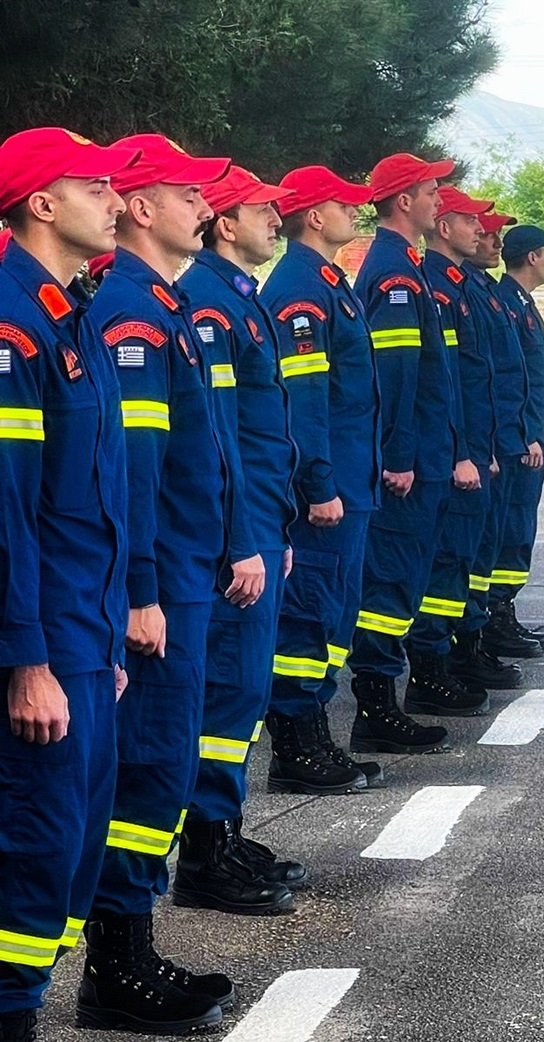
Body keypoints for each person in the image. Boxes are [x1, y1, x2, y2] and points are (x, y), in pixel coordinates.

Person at [83, 133, 236, 1033]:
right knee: (146, 770)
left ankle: (130, 949)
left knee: (164, 765)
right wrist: (142, 589)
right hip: (159, 581)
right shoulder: (133, 313)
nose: (203, 210)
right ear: (143, 208)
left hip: (182, 571)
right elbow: (134, 470)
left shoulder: (163, 305)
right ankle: (117, 967)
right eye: (187, 195)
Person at [0, 126, 135, 1042]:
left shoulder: (66, 311)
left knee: (70, 855)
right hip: (44, 640)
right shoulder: (13, 322)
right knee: (31, 853)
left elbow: (96, 501)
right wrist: (25, 661)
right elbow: (5, 510)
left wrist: (111, 632)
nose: (116, 202)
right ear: (42, 202)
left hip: (85, 635)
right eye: (96, 187)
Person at [172, 166, 301, 917]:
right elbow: (214, 444)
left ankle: (222, 831)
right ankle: (206, 847)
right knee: (225, 693)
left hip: (256, 518)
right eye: (264, 212)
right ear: (227, 224)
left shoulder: (236, 298)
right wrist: (246, 534)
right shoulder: (210, 304)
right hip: (236, 527)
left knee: (240, 692)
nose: (274, 222)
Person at [261, 165, 384, 793]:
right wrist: (318, 483)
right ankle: (295, 739)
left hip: (350, 479)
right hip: (329, 487)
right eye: (345, 204)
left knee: (332, 613)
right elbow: (304, 400)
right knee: (308, 615)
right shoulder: (301, 291)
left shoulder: (328, 282)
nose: (355, 213)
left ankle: (313, 732)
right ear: (314, 215)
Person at [348, 152, 471, 754]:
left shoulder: (410, 266)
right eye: (430, 191)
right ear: (404, 201)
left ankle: (384, 700)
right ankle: (375, 706)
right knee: (391, 582)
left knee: (406, 579)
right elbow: (393, 376)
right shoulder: (395, 275)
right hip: (409, 461)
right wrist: (398, 455)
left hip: (423, 453)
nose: (438, 201)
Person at [409, 183, 495, 714]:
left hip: (474, 445)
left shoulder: (461, 286)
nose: (481, 233)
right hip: (454, 449)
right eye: (470, 222)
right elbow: (441, 383)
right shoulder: (435, 288)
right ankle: (432, 667)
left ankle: (459, 651)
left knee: (464, 558)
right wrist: (463, 449)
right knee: (445, 562)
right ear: (444, 228)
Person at [450, 208, 542, 686]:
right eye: (484, 232)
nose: (492, 241)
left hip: (503, 438)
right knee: (479, 547)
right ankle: (470, 641)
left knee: (499, 539)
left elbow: (513, 375)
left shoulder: (489, 294)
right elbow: (467, 381)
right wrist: (488, 442)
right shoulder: (473, 292)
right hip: (494, 443)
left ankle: (486, 628)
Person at [491, 223, 544, 648]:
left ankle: (505, 610)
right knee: (512, 529)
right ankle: (496, 614)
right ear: (532, 257)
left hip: (529, 435)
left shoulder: (519, 303)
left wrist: (542, 428)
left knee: (520, 528)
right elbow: (508, 380)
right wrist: (526, 434)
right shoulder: (506, 304)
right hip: (517, 443)